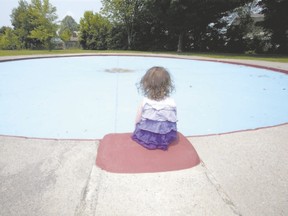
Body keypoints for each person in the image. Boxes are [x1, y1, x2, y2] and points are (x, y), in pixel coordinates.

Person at [131, 66, 177, 150]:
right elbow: (173, 119)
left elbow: (137, 119)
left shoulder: (145, 101)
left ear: (147, 85)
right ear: (167, 85)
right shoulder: (171, 102)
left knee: (141, 125)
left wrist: (136, 129)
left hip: (147, 136)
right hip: (165, 136)